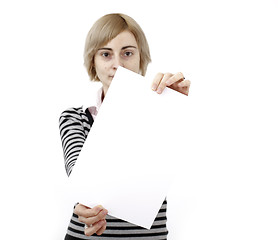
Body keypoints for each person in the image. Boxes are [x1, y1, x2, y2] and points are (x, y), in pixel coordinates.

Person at [59, 13, 191, 240]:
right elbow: (79, 176)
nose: (118, 65)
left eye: (127, 53)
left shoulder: (161, 113)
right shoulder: (76, 118)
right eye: (106, 54)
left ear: (142, 58)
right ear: (94, 61)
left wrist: (175, 107)